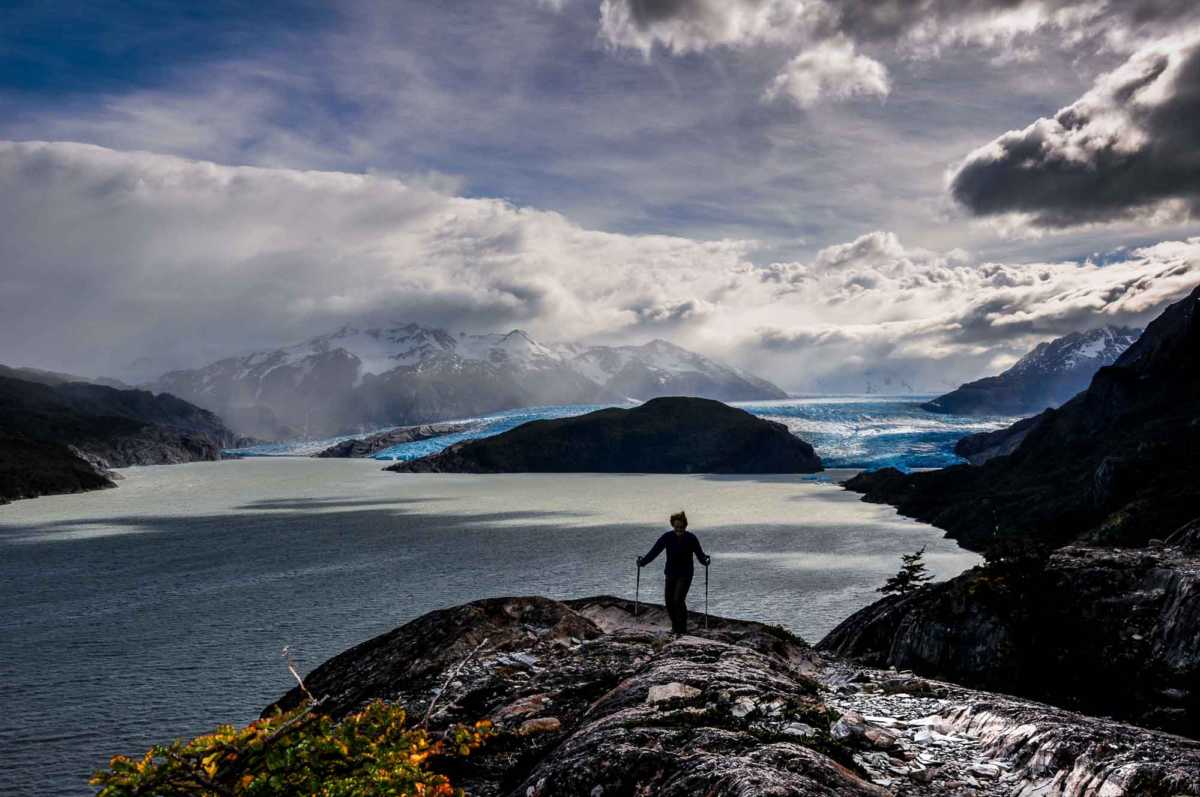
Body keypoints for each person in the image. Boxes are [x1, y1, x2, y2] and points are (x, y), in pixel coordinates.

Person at [637, 510, 711, 635]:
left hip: (685, 574)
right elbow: (655, 551)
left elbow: (700, 555)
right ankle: (675, 627)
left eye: (681, 527)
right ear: (673, 525)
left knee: (678, 600)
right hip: (670, 573)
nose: (679, 529)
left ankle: (682, 630)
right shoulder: (667, 537)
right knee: (669, 602)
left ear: (685, 526)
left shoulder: (691, 538)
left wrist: (705, 561)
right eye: (677, 527)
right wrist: (643, 562)